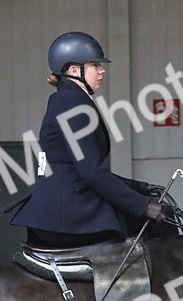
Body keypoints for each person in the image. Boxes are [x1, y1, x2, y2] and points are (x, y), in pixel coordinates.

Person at [9, 31, 165, 249]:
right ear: (74, 70)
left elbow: (80, 169)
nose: (102, 71)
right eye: (94, 65)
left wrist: (141, 187)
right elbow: (91, 172)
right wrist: (142, 205)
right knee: (156, 223)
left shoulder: (65, 99)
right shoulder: (72, 103)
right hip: (67, 215)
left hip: (58, 210)